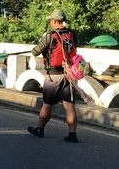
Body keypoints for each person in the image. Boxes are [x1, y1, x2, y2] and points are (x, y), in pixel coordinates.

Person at [27, 9, 80, 143]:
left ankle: (40, 129)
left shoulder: (50, 36)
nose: (50, 23)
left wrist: (39, 49)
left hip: (54, 75)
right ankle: (72, 134)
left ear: (55, 21)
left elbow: (35, 51)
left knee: (47, 104)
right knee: (69, 104)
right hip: (69, 74)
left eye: (51, 20)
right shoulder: (72, 34)